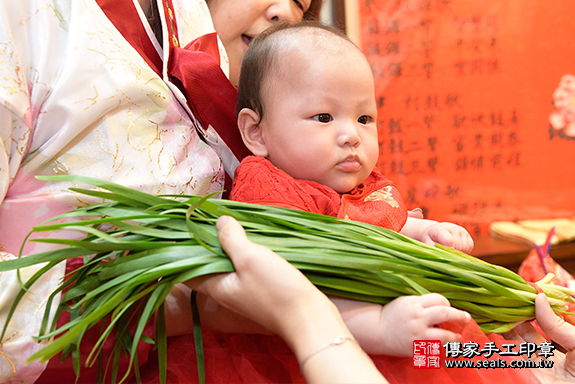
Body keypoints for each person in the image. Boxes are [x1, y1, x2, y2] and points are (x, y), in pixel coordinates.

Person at [231, 22, 474, 254]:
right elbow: (288, 266)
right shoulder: (266, 190)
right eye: (324, 117)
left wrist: (428, 231)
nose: (352, 136)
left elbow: (387, 226)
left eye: (364, 118)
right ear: (257, 132)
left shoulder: (363, 187)